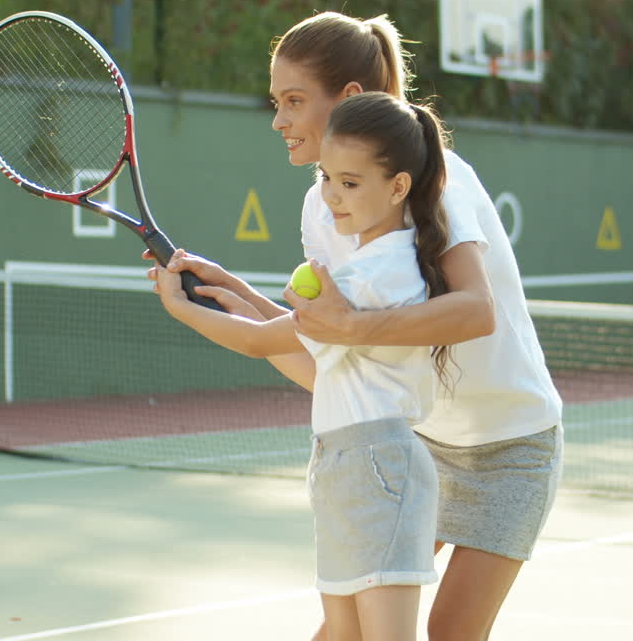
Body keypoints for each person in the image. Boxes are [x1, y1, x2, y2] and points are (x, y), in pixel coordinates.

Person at [150, 11, 564, 641]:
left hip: (512, 444)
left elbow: (474, 311)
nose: (278, 120)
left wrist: (336, 327)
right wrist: (233, 295)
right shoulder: (323, 207)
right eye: (275, 102)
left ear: (350, 99)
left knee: (452, 632)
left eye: (293, 101)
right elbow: (327, 357)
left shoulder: (438, 182)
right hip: (411, 445)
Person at [153, 92, 455, 641]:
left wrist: (181, 308)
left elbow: (259, 342)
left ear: (398, 187)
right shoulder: (361, 267)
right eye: (327, 178)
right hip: (343, 466)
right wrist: (229, 287)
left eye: (351, 183)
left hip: (380, 469)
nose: (333, 197)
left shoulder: (374, 276)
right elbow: (296, 343)